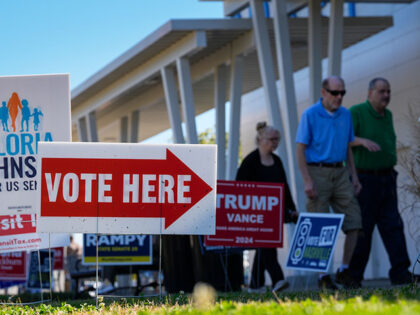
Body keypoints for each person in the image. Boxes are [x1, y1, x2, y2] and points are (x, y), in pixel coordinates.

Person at [296, 76, 362, 290]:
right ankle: (323, 275)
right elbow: (300, 150)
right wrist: (307, 180)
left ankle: (343, 270)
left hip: (341, 172)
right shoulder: (310, 115)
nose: (339, 97)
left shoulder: (346, 114)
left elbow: (348, 147)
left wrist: (354, 176)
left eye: (342, 92)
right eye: (335, 93)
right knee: (319, 225)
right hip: (317, 172)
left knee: (355, 221)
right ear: (324, 92)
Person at [349, 78, 417, 285]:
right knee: (364, 228)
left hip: (387, 178)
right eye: (381, 91)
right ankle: (353, 276)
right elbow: (343, 139)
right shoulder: (357, 112)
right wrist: (362, 141)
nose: (386, 95)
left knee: (393, 226)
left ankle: (401, 273)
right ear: (370, 93)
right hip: (365, 179)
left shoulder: (387, 115)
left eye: (388, 91)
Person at [236, 122, 299, 292]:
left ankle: (256, 284)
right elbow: (239, 187)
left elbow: (284, 187)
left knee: (266, 245)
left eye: (277, 139)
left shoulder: (277, 161)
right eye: (272, 139)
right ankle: (278, 279)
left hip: (274, 213)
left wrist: (291, 209)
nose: (275, 143)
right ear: (260, 140)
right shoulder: (250, 161)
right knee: (267, 244)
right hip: (255, 212)